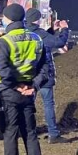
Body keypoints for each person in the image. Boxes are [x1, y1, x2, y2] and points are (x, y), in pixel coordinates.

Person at [0, 3, 50, 155]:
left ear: (8, 19)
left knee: (10, 134)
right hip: (29, 94)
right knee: (31, 135)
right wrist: (32, 85)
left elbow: (2, 69)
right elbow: (44, 68)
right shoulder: (36, 39)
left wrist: (16, 85)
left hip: (10, 93)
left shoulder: (5, 41)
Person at [25, 8, 70, 144]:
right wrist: (64, 30)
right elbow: (58, 43)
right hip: (44, 75)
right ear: (37, 19)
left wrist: (52, 30)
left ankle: (28, 132)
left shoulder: (25, 33)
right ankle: (53, 134)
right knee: (48, 104)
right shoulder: (39, 33)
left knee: (28, 105)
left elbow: (46, 38)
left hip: (28, 75)